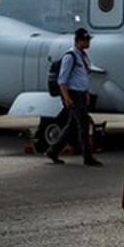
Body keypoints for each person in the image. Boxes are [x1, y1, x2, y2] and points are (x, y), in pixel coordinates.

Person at [46, 28, 102, 167]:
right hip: (73, 94)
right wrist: (67, 98)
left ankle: (53, 151)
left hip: (81, 93)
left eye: (88, 39)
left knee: (71, 126)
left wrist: (87, 92)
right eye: (85, 40)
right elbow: (62, 80)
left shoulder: (83, 56)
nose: (88, 42)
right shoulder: (70, 56)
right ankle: (87, 157)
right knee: (83, 125)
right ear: (78, 40)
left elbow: (83, 76)